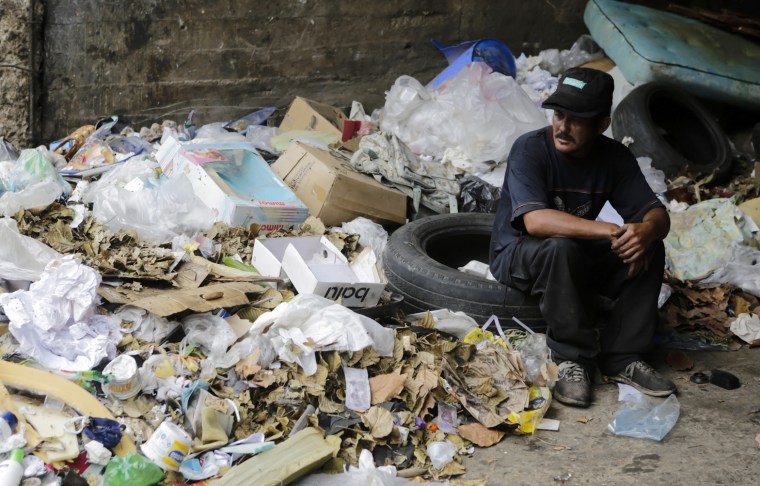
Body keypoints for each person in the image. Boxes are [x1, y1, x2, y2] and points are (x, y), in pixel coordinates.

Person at [489, 67, 676, 407]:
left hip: (573, 252)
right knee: (560, 246)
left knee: (649, 245)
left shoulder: (614, 157)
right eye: (559, 115)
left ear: (601, 124)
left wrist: (645, 231)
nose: (563, 126)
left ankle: (622, 357)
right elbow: (535, 221)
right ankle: (571, 359)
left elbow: (657, 215)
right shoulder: (530, 149)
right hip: (517, 255)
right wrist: (611, 230)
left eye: (577, 120)